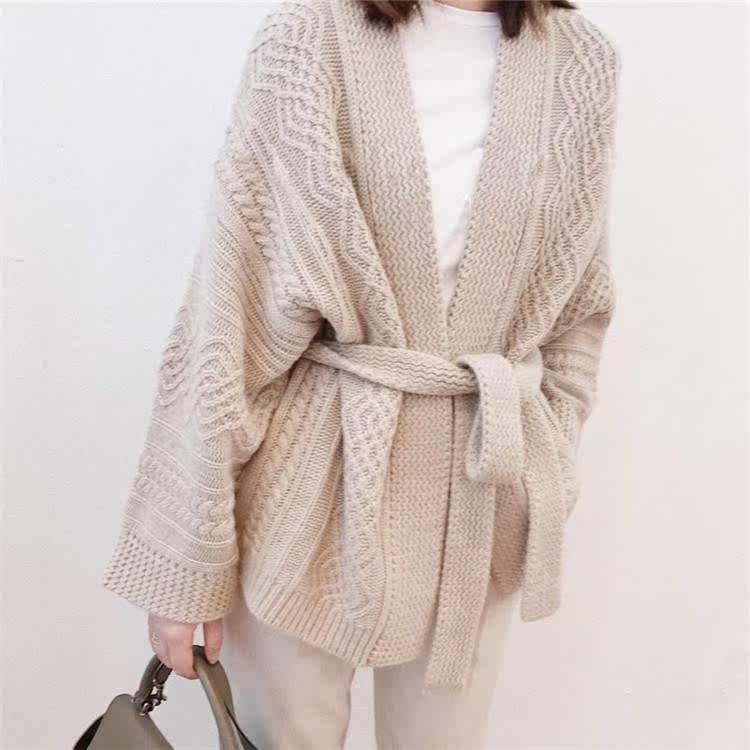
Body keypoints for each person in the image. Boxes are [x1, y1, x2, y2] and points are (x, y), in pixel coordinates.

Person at [101, 0, 621, 746]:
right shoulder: (307, 40)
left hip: (480, 500)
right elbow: (228, 317)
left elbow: (579, 306)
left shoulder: (583, 61)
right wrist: (186, 559)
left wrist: (552, 455)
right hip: (305, 501)